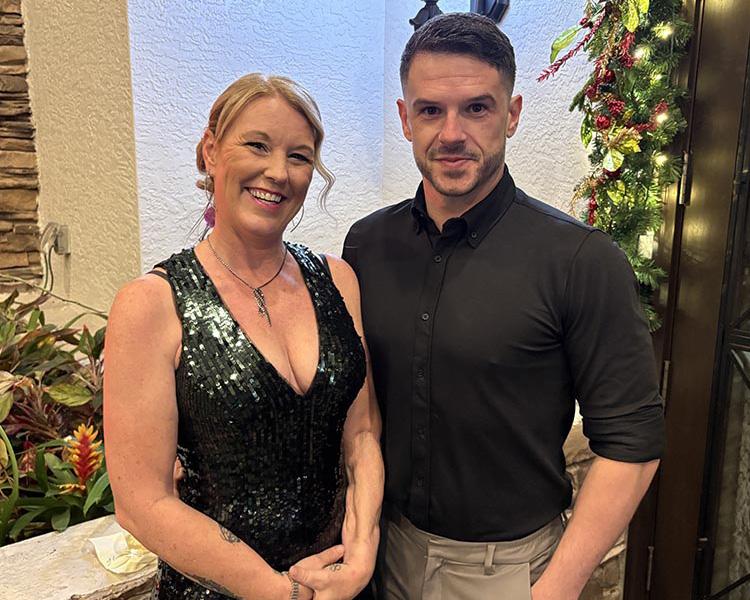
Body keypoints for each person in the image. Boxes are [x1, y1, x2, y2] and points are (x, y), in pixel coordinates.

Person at [328, 13, 664, 600]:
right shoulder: (366, 245)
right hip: (382, 553)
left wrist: (555, 590)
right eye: (430, 110)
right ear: (405, 119)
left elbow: (632, 444)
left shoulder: (580, 260)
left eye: (477, 108)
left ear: (511, 114)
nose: (451, 133)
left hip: (507, 572)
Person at [104, 73, 384, 600]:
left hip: (338, 586)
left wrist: (362, 554)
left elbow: (363, 433)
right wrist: (282, 594)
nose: (278, 172)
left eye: (299, 156)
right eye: (257, 145)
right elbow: (142, 502)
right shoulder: (151, 305)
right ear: (211, 151)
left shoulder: (338, 280)